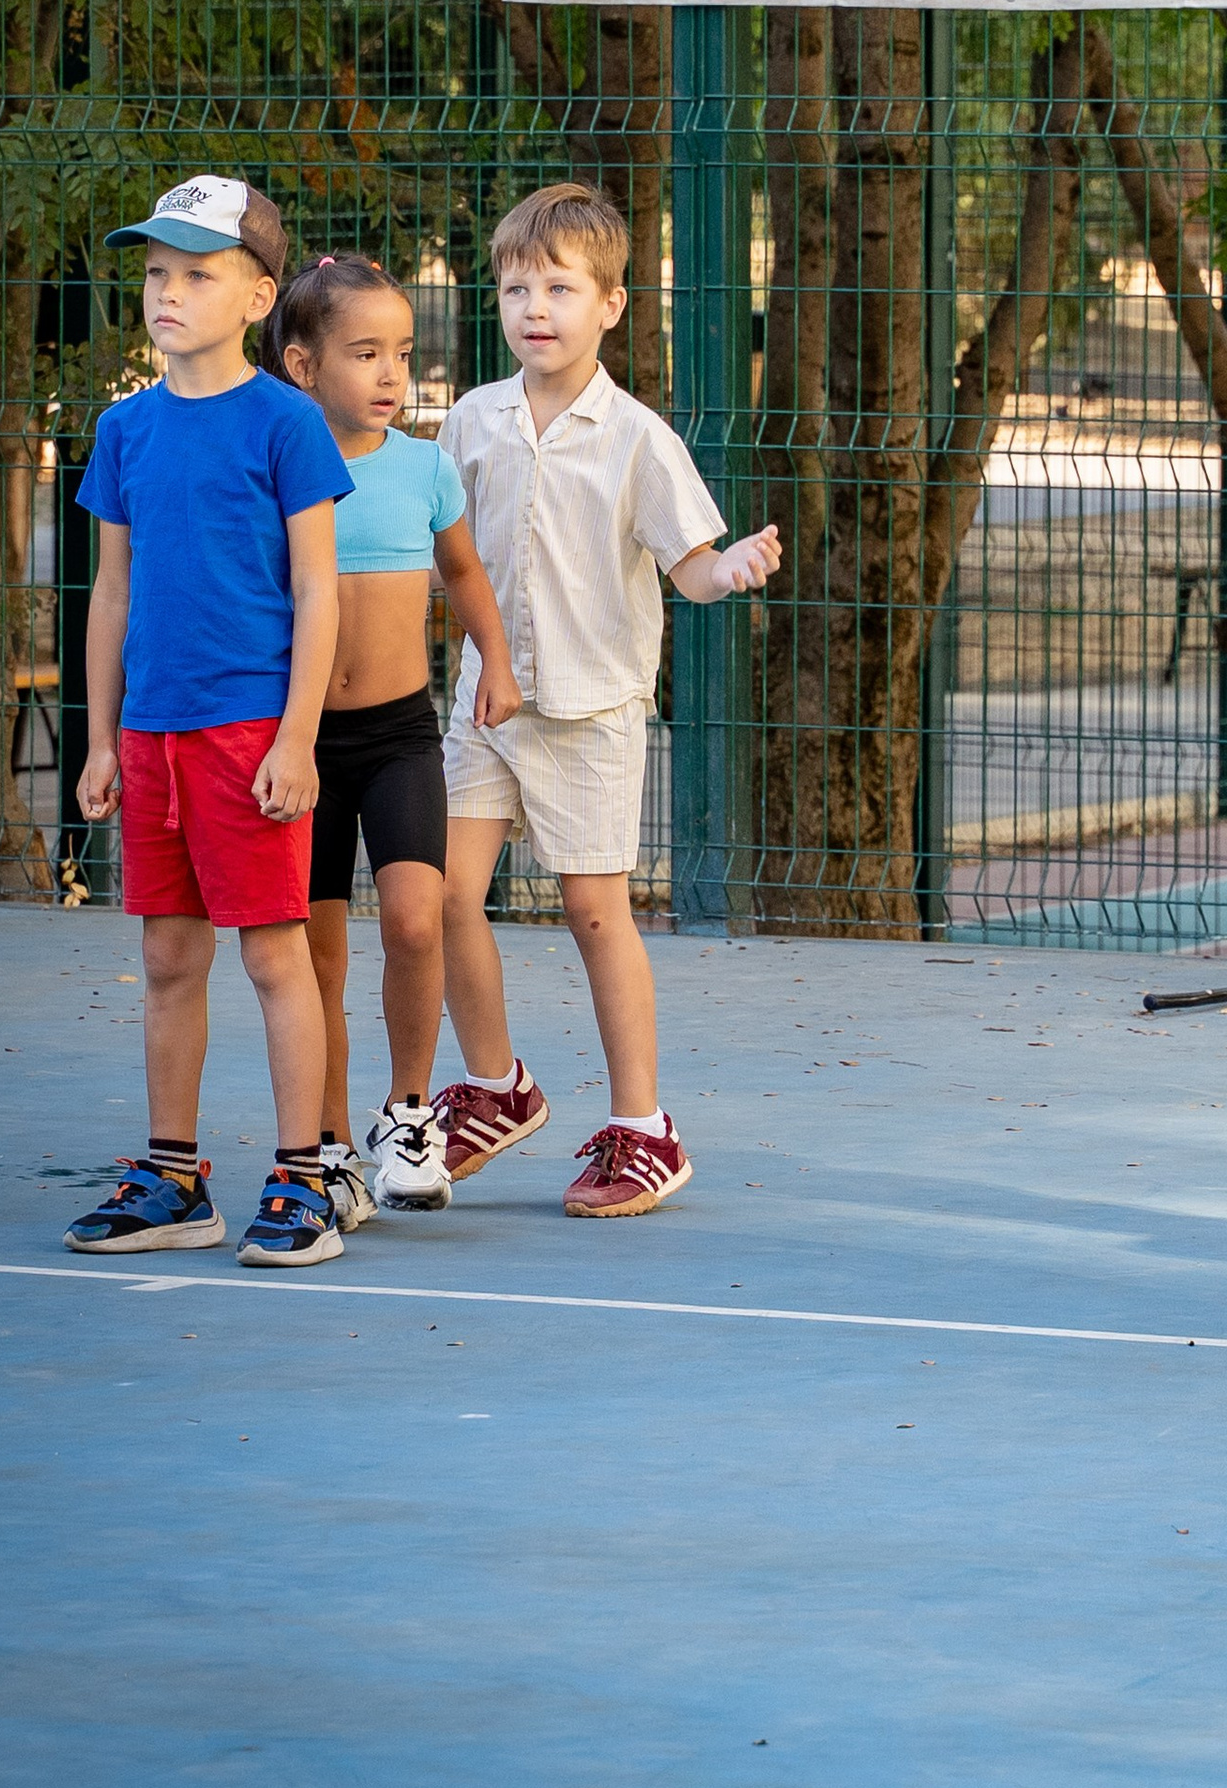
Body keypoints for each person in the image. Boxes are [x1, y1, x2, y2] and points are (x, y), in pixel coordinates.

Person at [434, 182, 783, 1219]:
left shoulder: (637, 437)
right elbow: (440, 553)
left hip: (590, 716)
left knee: (595, 912)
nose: (534, 306)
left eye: (559, 286)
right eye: (515, 287)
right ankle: (497, 1089)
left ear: (611, 305)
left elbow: (691, 566)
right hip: (485, 705)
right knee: (445, 896)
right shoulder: (469, 420)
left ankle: (644, 1128)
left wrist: (732, 571)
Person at [62, 177, 354, 1269]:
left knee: (276, 956)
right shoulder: (124, 428)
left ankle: (305, 1176)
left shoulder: (285, 422)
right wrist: (102, 739)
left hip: (250, 733)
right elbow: (111, 593)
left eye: (196, 274)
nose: (168, 293)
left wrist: (295, 737)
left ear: (257, 294)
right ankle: (173, 1176)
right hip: (152, 738)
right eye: (154, 274)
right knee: (168, 954)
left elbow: (319, 590)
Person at [269, 251, 519, 1224]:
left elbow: (462, 574)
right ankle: (327, 1144)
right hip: (306, 744)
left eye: (402, 354)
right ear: (301, 366)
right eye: (364, 352)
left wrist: (493, 659)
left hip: (402, 733)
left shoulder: (424, 467)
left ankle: (408, 1118)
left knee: (419, 917)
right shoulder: (280, 470)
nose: (389, 375)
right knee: (319, 956)